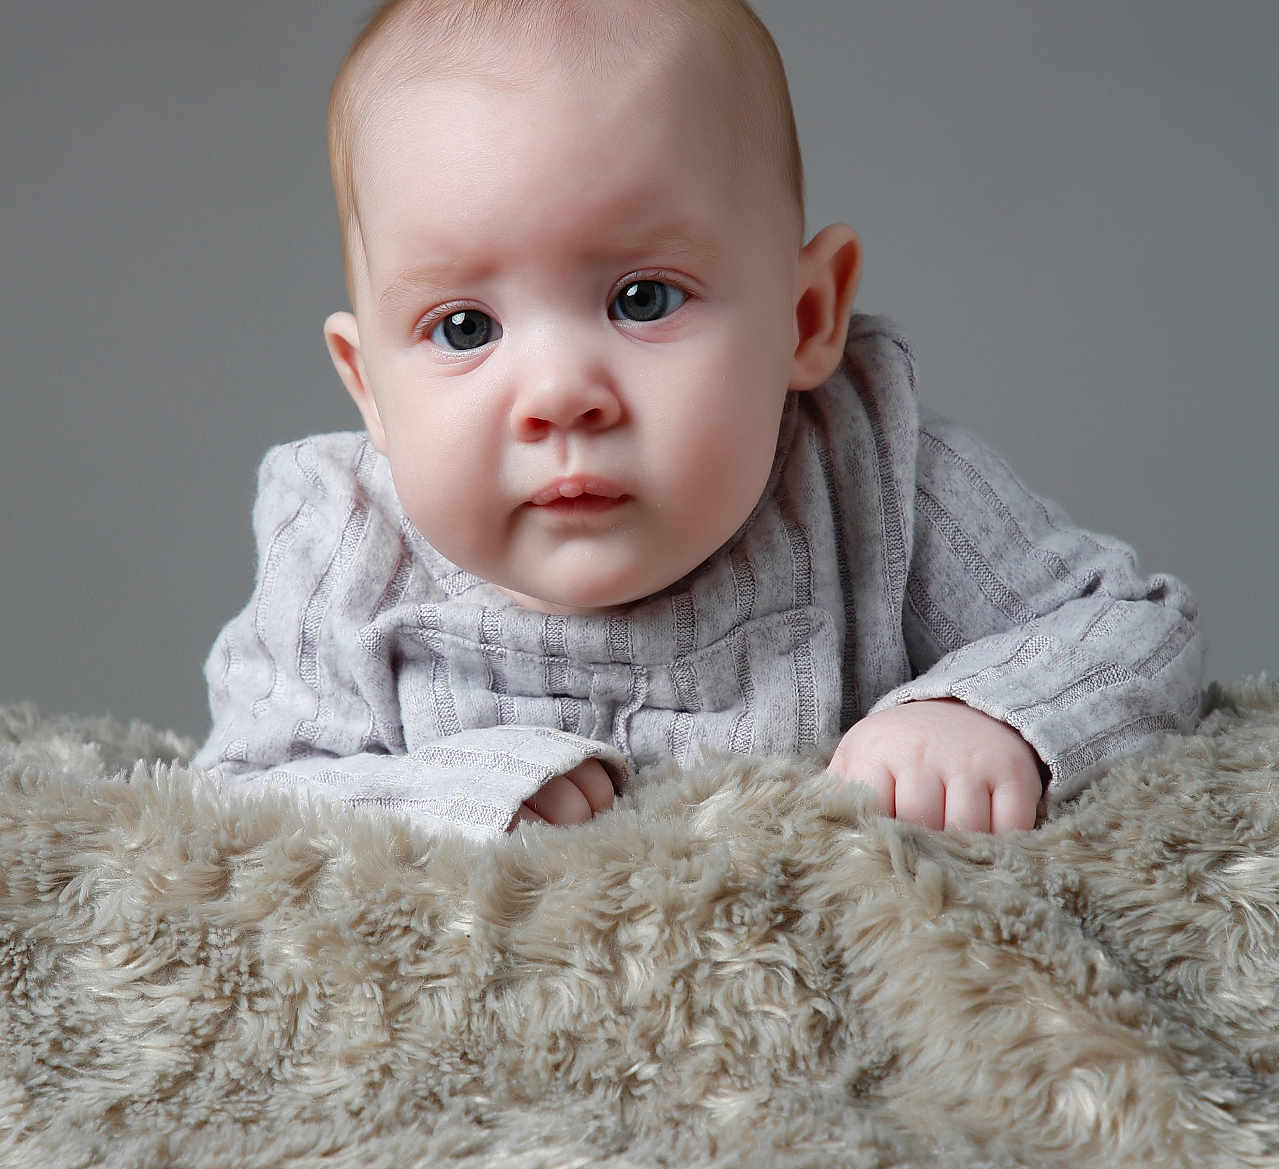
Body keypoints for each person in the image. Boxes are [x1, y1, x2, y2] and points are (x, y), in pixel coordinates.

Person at [194, 0, 1204, 841]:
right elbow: (242, 795)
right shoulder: (342, 548)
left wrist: (983, 715)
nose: (557, 394)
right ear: (366, 383)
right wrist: (458, 794)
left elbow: (1129, 627)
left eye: (642, 299)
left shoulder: (872, 474)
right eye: (463, 326)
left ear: (804, 317)